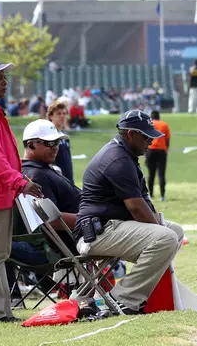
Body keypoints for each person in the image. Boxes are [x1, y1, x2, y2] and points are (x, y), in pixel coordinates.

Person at [73, 111, 183, 315]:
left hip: (110, 226)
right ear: (131, 134)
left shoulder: (124, 154)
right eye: (146, 136)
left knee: (175, 232)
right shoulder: (118, 159)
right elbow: (136, 208)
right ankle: (121, 299)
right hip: (98, 233)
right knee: (166, 238)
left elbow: (141, 204)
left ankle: (146, 295)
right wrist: (158, 228)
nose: (150, 141)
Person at [0, 60, 43, 323]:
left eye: (4, 77)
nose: (5, 82)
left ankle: (0, 311)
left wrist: (16, 180)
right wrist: (21, 182)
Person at [8, 119, 81, 301]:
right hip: (59, 246)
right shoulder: (34, 175)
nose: (55, 147)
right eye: (49, 143)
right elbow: (51, 221)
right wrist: (92, 219)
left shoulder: (42, 169)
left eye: (57, 142)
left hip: (73, 239)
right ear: (31, 144)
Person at [144, 111, 171, 202]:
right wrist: (166, 150)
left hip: (150, 150)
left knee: (151, 174)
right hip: (161, 150)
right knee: (161, 174)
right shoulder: (164, 125)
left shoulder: (149, 125)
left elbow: (145, 138)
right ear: (159, 116)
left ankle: (150, 195)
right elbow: (167, 139)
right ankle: (162, 195)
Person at [47, 102, 73, 183]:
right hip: (56, 180)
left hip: (68, 179)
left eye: (64, 113)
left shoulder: (64, 136)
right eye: (58, 113)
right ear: (51, 116)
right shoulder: (47, 136)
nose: (62, 116)